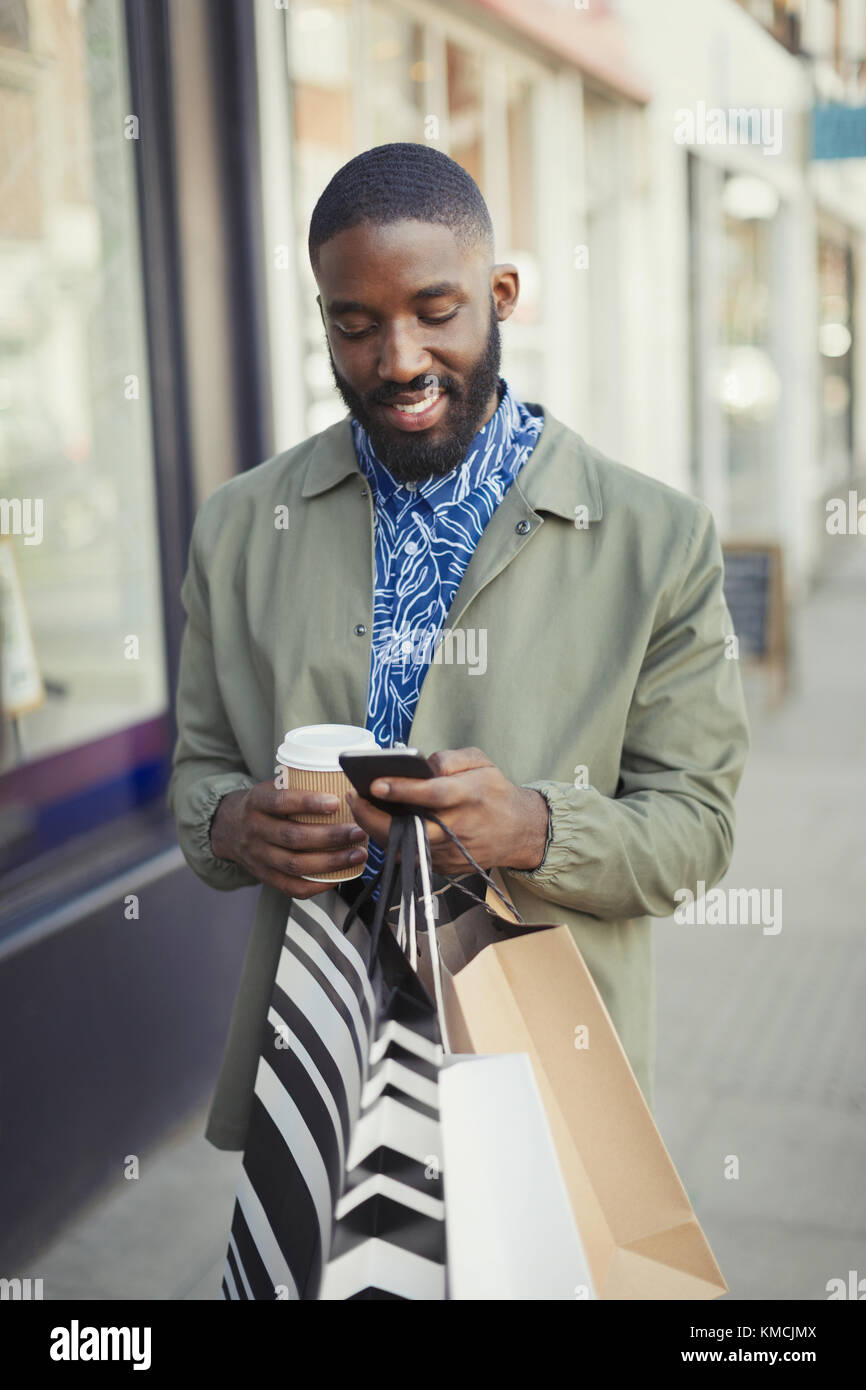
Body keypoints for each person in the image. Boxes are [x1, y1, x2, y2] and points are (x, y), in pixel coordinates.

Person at [168, 143, 749, 1152]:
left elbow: (694, 834)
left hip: (546, 1083)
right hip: (320, 1062)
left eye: (435, 311)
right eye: (355, 325)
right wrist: (229, 825)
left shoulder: (659, 539)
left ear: (501, 293)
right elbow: (199, 767)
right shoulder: (236, 526)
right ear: (324, 321)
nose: (397, 360)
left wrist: (528, 825)